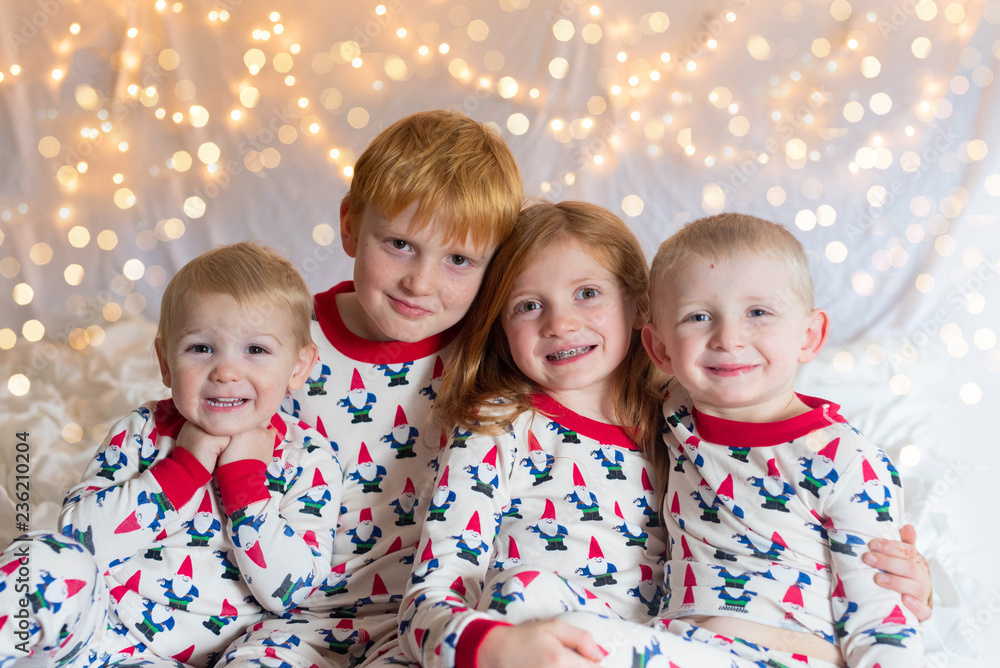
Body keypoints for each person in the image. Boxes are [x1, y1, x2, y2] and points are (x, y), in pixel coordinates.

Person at [385, 202, 933, 668]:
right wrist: (497, 646)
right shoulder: (499, 428)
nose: (559, 324)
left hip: (698, 648)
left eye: (588, 293)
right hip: (587, 643)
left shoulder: (679, 418)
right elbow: (434, 592)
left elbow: (828, 520)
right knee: (527, 591)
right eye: (528, 306)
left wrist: (909, 581)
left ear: (641, 312)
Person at [216, 109, 524, 668]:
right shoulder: (283, 342)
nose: (420, 282)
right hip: (292, 615)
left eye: (458, 259)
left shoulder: (488, 354)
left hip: (427, 618)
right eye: (401, 244)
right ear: (351, 225)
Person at [559, 212, 925, 666]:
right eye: (698, 316)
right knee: (549, 623)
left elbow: (882, 619)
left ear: (809, 335)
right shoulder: (671, 417)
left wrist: (917, 584)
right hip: (679, 644)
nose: (728, 338)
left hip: (784, 656)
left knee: (576, 643)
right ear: (659, 348)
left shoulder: (847, 461)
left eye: (758, 313)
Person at [0, 242, 341, 668]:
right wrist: (180, 472)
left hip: (229, 651)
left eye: (256, 350)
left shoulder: (307, 458)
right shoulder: (144, 431)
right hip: (104, 631)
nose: (226, 371)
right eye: (201, 348)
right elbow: (79, 537)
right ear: (165, 363)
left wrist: (245, 484)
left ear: (297, 367)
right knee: (40, 556)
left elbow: (292, 593)